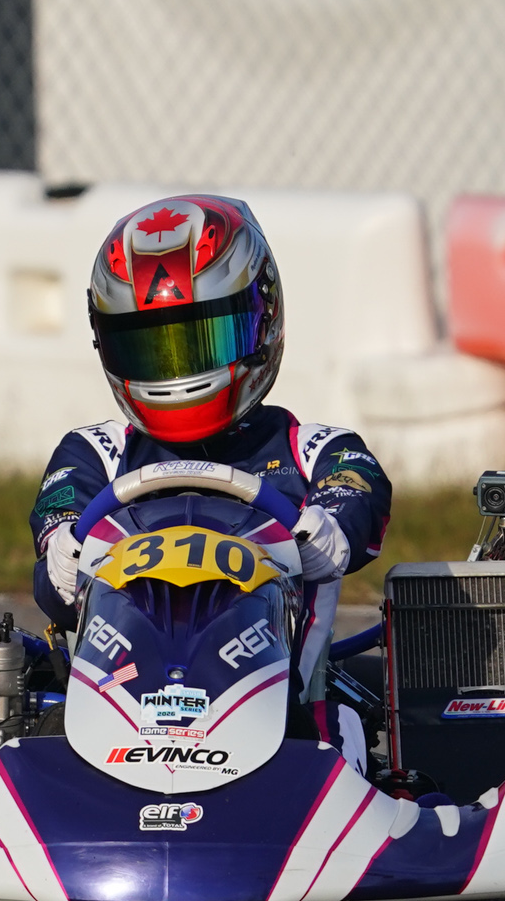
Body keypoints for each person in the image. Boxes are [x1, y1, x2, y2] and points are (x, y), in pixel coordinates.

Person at [28, 195, 393, 743]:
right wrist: (60, 553)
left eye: (204, 339)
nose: (178, 373)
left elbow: (356, 486)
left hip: (288, 730)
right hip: (112, 717)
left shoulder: (313, 449)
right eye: (151, 349)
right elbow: (57, 541)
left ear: (263, 320)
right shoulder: (94, 452)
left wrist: (333, 526)